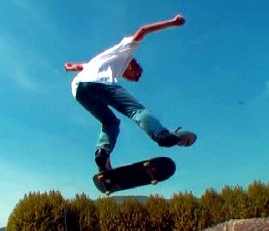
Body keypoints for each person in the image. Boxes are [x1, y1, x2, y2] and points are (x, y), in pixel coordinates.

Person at [64, 14, 197, 172]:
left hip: (79, 89)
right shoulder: (127, 51)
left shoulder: (103, 61)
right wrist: (173, 23)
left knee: (110, 122)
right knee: (136, 110)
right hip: (101, 82)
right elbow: (143, 30)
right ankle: (161, 134)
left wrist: (71, 67)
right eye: (137, 75)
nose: (136, 79)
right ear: (132, 66)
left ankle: (102, 154)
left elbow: (82, 66)